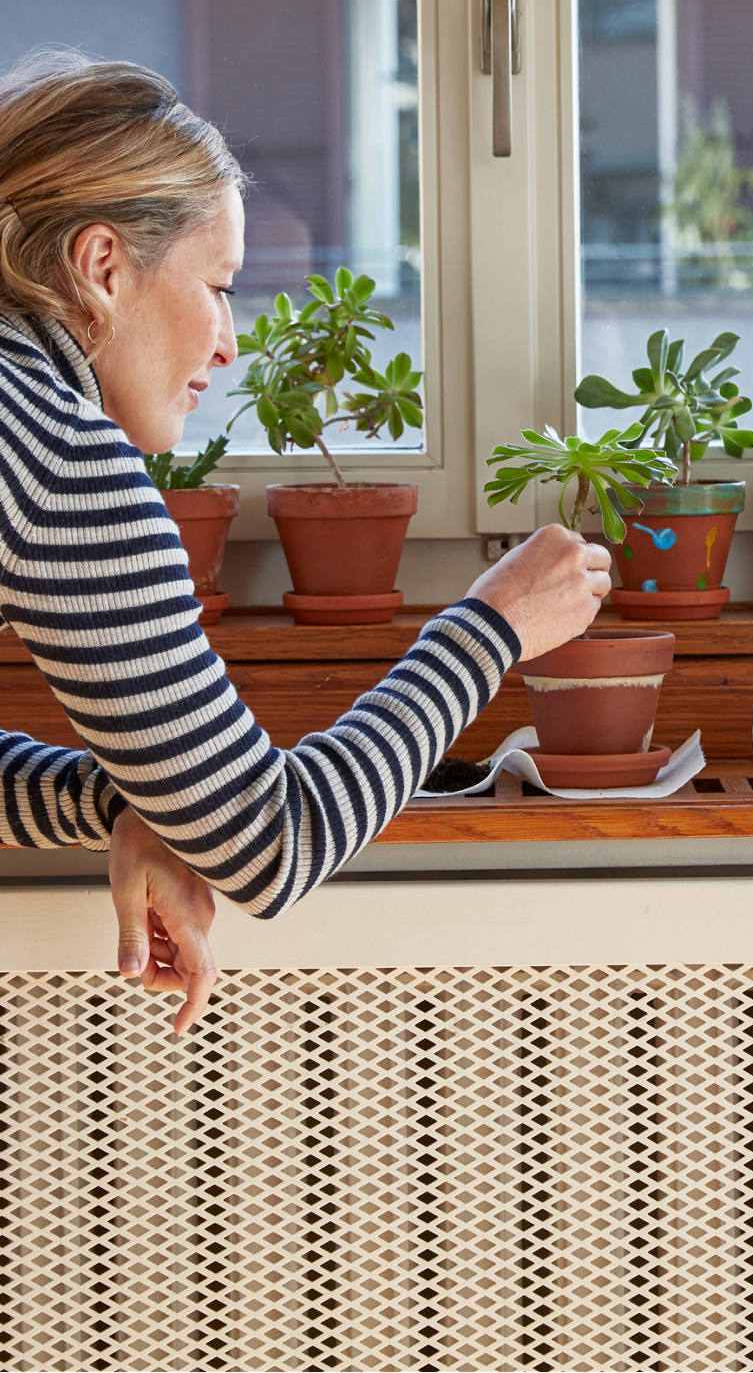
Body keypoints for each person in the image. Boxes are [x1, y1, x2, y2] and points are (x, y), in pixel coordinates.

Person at [0, 50, 612, 1031]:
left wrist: (128, 802)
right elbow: (273, 843)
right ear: (102, 265)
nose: (230, 340)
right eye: (219, 285)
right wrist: (490, 629)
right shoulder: (57, 450)